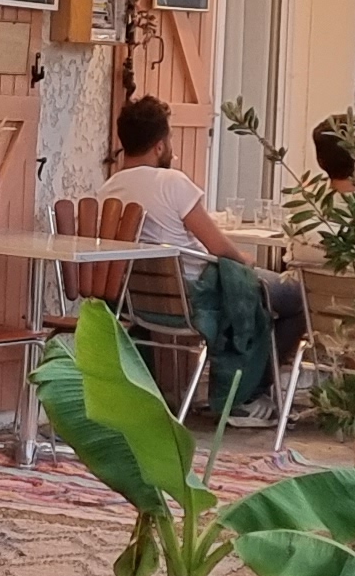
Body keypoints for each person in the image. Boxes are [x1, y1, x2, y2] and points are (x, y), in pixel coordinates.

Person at [95, 95, 301, 426]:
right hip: (198, 298)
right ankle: (248, 394)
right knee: (297, 296)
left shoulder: (107, 190)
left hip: (140, 304)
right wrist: (244, 259)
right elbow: (219, 247)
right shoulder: (171, 183)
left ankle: (246, 391)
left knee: (268, 293)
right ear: (160, 146)